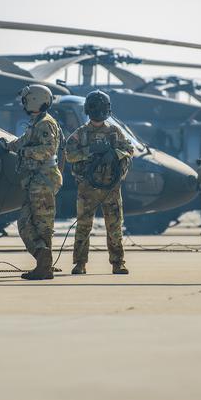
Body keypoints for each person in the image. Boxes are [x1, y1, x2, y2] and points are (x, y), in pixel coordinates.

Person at [64, 90, 134, 275]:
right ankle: (80, 264)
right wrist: (89, 152)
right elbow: (69, 154)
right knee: (83, 226)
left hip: (111, 187)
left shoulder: (114, 132)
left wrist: (114, 154)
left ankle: (118, 262)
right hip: (87, 188)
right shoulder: (81, 133)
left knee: (115, 227)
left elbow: (129, 149)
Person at [1, 84, 63, 280]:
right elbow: (23, 141)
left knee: (42, 224)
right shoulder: (36, 122)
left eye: (26, 99)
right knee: (26, 224)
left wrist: (23, 152)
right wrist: (8, 146)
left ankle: (44, 266)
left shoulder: (45, 124)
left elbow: (48, 150)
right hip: (35, 179)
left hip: (43, 179)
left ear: (35, 100)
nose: (23, 102)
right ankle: (43, 260)